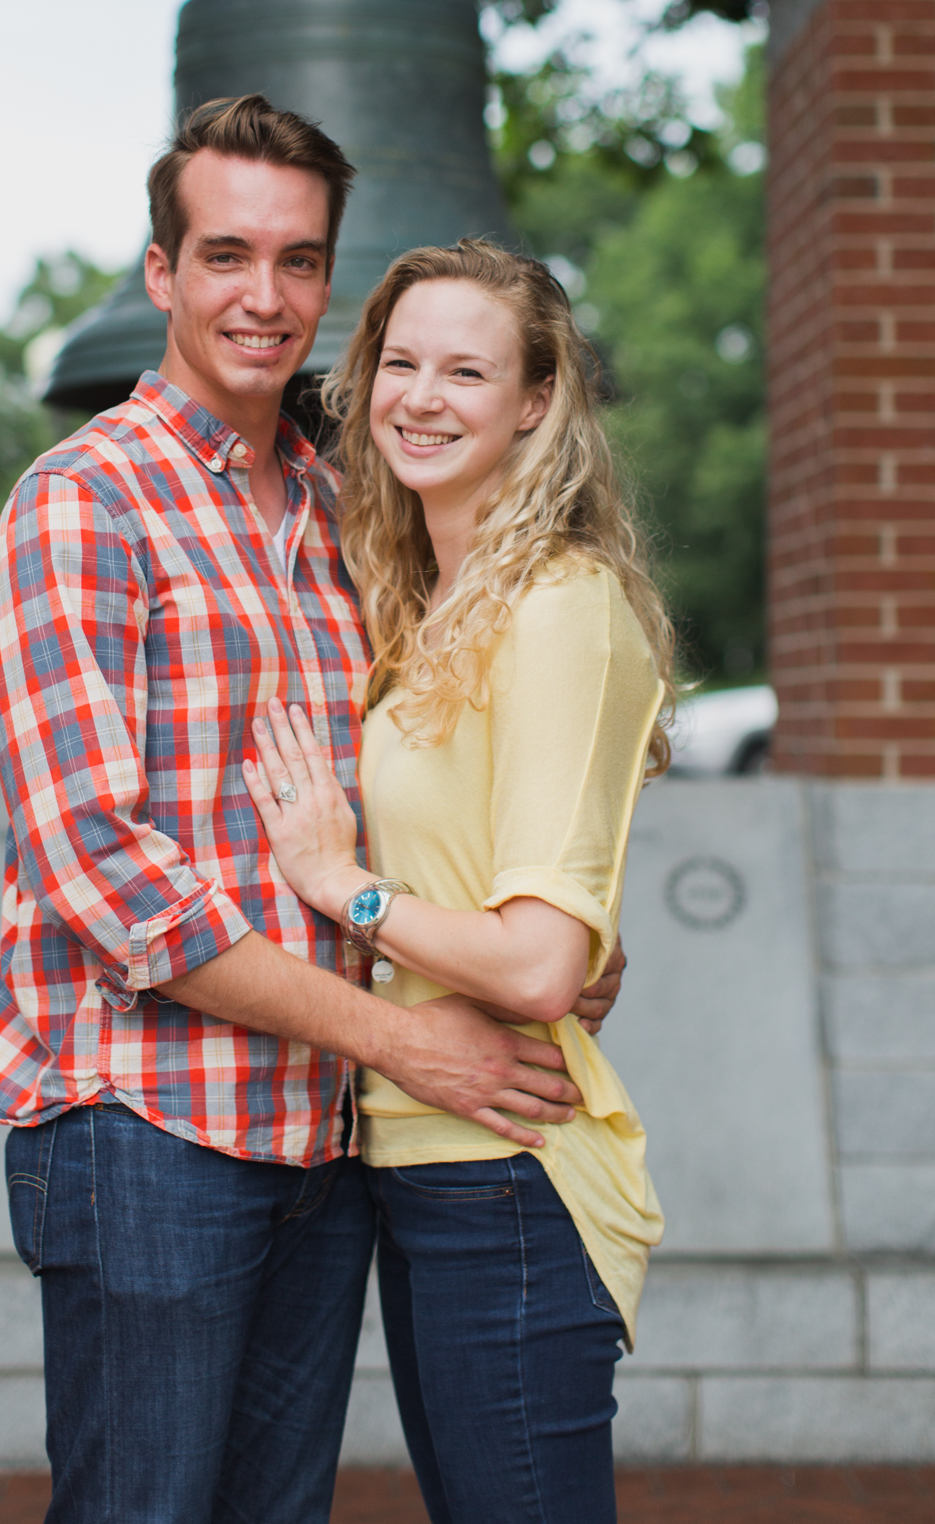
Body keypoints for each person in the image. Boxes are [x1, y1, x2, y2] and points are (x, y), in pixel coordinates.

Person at [0, 97, 624, 1524]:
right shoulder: (83, 511)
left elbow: (392, 798)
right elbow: (107, 881)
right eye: (224, 255)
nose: (264, 298)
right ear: (160, 273)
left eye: (300, 262)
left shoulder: (335, 513)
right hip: (148, 1135)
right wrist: (408, 1038)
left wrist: (542, 934)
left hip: (318, 1141)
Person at [244, 238, 671, 1524]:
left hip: (511, 1170)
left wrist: (344, 888)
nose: (420, 396)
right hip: (416, 1154)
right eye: (400, 361)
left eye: (467, 370)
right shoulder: (423, 604)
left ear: (535, 400)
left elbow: (539, 962)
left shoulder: (558, 601)